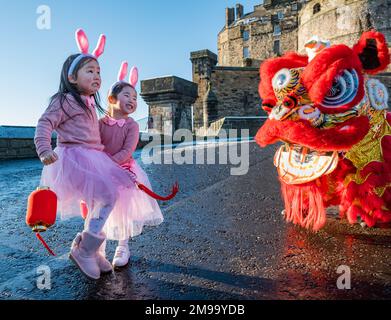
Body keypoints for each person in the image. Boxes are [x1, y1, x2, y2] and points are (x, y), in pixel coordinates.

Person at [34, 29, 136, 280]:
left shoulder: (89, 103)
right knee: (107, 194)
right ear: (72, 76)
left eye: (99, 71)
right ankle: (85, 250)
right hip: (73, 157)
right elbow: (45, 123)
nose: (97, 75)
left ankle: (90, 248)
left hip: (92, 156)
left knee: (98, 202)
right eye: (90, 70)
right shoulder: (65, 100)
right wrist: (44, 149)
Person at [99, 62, 163, 268]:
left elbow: (127, 152)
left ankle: (122, 246)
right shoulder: (99, 123)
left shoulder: (132, 125)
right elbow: (92, 144)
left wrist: (106, 164)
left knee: (122, 210)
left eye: (135, 98)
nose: (133, 100)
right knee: (97, 210)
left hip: (123, 171)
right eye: (127, 95)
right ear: (111, 99)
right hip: (99, 171)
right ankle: (96, 249)